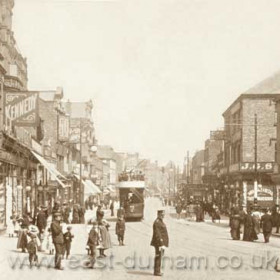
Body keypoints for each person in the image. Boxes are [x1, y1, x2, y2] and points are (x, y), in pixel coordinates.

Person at [150, 210, 169, 277]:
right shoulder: (157, 222)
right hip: (159, 243)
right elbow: (157, 234)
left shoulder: (160, 221)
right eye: (162, 214)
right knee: (158, 256)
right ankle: (157, 271)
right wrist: (161, 244)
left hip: (161, 243)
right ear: (158, 214)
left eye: (163, 214)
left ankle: (158, 271)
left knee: (159, 256)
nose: (163, 215)